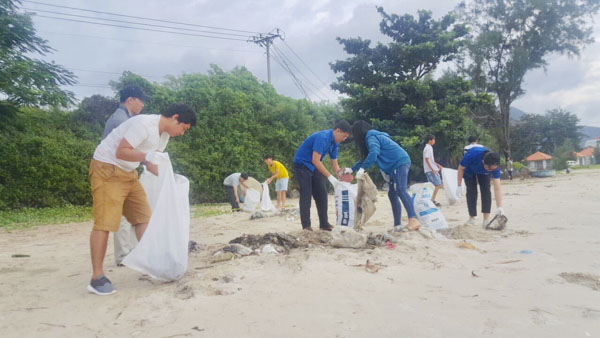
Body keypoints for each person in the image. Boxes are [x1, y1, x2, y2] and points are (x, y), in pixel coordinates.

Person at [88, 102, 197, 295]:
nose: (182, 133)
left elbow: (153, 164)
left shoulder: (163, 136)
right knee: (105, 222)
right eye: (184, 128)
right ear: (175, 118)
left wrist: (171, 180)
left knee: (143, 217)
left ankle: (152, 263)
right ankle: (97, 278)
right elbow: (121, 151)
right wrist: (147, 157)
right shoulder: (144, 124)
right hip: (107, 168)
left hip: (129, 172)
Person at [102, 85, 149, 267]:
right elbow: (125, 150)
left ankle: (130, 251)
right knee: (122, 214)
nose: (142, 105)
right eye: (141, 101)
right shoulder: (120, 120)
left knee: (131, 213)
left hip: (122, 169)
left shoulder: (125, 118)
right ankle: (123, 256)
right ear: (130, 100)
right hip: (115, 170)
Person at [349, 121, 421, 231]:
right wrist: (352, 169)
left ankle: (413, 219)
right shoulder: (374, 137)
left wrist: (363, 168)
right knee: (392, 193)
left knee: (400, 189)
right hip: (395, 165)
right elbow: (367, 156)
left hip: (399, 162)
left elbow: (374, 153)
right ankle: (397, 225)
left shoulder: (371, 136)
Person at [293, 120, 351, 231]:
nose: (344, 139)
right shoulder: (323, 137)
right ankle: (306, 226)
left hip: (314, 165)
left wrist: (341, 176)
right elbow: (315, 160)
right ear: (337, 131)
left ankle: (324, 224)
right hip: (302, 164)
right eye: (343, 136)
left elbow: (334, 164)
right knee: (306, 193)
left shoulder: (335, 143)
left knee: (322, 193)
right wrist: (330, 177)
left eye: (346, 137)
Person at [456, 147, 504, 227]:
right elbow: (461, 168)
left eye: (492, 170)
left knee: (486, 192)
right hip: (469, 171)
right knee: (471, 192)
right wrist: (459, 185)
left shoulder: (494, 168)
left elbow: (497, 188)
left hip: (483, 175)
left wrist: (499, 207)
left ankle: (486, 220)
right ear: (483, 162)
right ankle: (472, 218)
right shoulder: (471, 155)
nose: (490, 171)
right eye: (488, 169)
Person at [423, 134, 443, 207]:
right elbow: (427, 159)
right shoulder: (428, 148)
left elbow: (431, 160)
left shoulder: (429, 148)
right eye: (433, 140)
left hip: (431, 169)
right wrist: (432, 169)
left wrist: (437, 165)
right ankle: (432, 200)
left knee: (435, 185)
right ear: (430, 140)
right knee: (437, 184)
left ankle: (431, 199)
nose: (434, 141)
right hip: (430, 170)